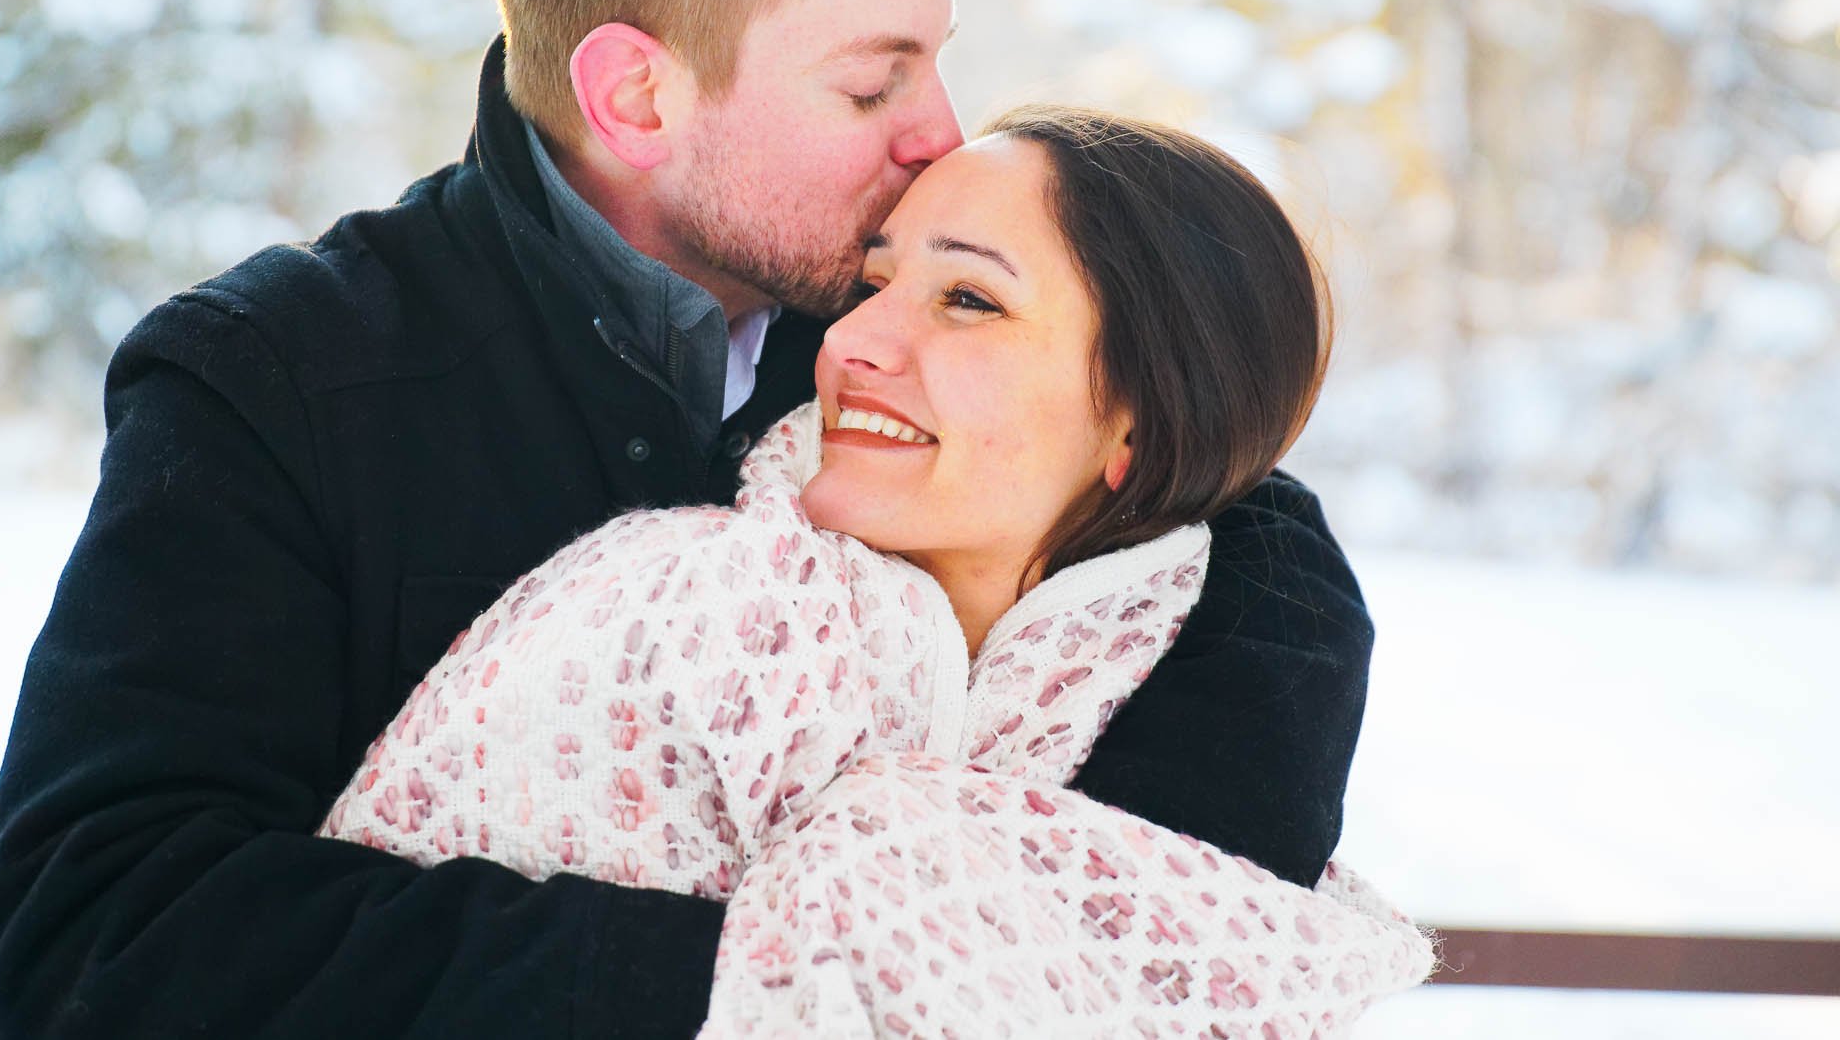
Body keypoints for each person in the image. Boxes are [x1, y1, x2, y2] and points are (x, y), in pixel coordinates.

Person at [0, 0, 1373, 1040]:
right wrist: (776, 980)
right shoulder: (279, 380)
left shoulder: (879, 314)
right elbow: (98, 934)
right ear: (637, 97)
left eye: (937, 57)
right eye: (873, 82)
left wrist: (1035, 945)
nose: (941, 130)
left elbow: (1226, 496)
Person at [320, 112, 1431, 1035]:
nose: (849, 346)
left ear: (1134, 430)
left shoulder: (1193, 698)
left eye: (966, 300)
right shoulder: (673, 616)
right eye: (874, 283)